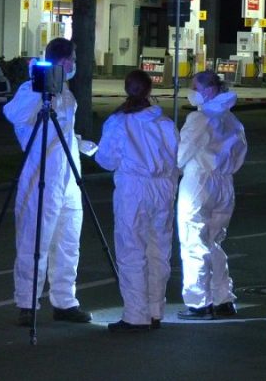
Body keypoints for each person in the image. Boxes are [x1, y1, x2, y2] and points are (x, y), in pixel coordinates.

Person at [3, 37, 92, 326]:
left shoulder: (65, 92)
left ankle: (65, 301)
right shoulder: (32, 89)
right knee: (34, 241)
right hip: (41, 175)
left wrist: (80, 144)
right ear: (64, 60)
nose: (75, 64)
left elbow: (62, 131)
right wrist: (40, 91)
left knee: (68, 242)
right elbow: (14, 115)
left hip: (67, 176)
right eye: (74, 58)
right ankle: (27, 303)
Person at [95, 69, 179, 333]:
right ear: (149, 90)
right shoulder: (164, 123)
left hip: (133, 189)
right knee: (159, 251)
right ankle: (155, 310)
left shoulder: (118, 122)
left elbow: (106, 160)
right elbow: (178, 158)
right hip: (162, 189)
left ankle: (135, 315)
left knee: (132, 250)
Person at [176, 70, 247, 320]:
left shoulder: (200, 118)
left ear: (207, 90)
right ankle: (223, 299)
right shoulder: (232, 121)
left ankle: (198, 302)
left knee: (194, 240)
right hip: (225, 184)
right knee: (215, 242)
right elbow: (240, 154)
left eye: (194, 86)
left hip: (199, 181)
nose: (191, 91)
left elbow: (181, 154)